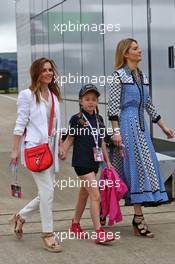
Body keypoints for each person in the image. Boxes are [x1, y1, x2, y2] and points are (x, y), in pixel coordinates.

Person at [108, 38, 174, 238]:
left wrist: (163, 126)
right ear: (126, 53)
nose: (140, 51)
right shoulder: (119, 76)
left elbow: (149, 104)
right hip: (127, 126)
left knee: (142, 169)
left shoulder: (142, 75)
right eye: (135, 48)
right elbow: (112, 107)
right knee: (129, 169)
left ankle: (136, 217)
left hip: (142, 127)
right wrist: (116, 131)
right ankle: (118, 213)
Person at [10, 57, 63, 252]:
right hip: (35, 150)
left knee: (46, 192)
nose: (48, 73)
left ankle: (21, 216)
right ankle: (48, 234)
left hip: (51, 151)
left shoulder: (54, 96)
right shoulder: (27, 95)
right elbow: (20, 124)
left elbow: (56, 126)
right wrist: (15, 150)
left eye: (50, 69)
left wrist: (62, 146)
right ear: (36, 74)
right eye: (44, 70)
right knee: (48, 192)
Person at [60, 84, 115, 244]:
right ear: (81, 101)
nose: (91, 102)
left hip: (95, 162)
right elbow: (70, 138)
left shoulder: (98, 119)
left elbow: (102, 141)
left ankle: (75, 224)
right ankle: (99, 232)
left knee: (84, 195)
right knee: (95, 195)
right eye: (87, 99)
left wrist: (108, 162)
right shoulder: (76, 119)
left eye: (94, 99)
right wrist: (62, 151)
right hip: (82, 162)